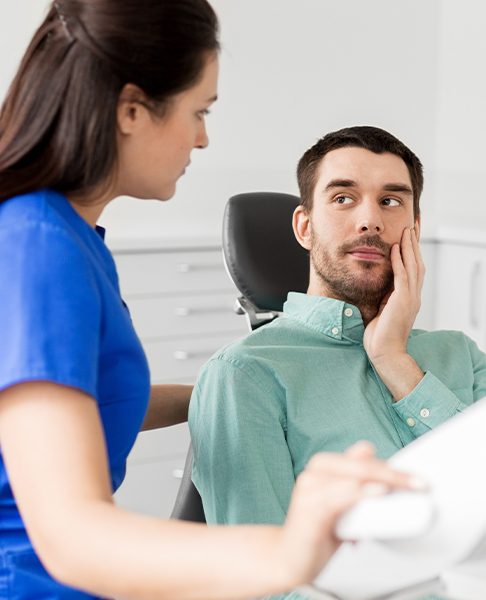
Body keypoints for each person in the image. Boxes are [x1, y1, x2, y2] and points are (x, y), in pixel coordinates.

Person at [0, 4, 418, 599]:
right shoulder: (38, 248)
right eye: (199, 110)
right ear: (131, 111)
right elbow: (71, 539)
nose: (203, 135)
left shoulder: (70, 240)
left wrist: (239, 389)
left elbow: (76, 405)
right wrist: (289, 550)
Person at [189, 126, 486, 597]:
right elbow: (261, 584)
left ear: (416, 228)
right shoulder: (245, 375)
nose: (370, 220)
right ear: (305, 227)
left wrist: (394, 360)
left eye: (391, 201)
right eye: (344, 198)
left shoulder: (461, 356)